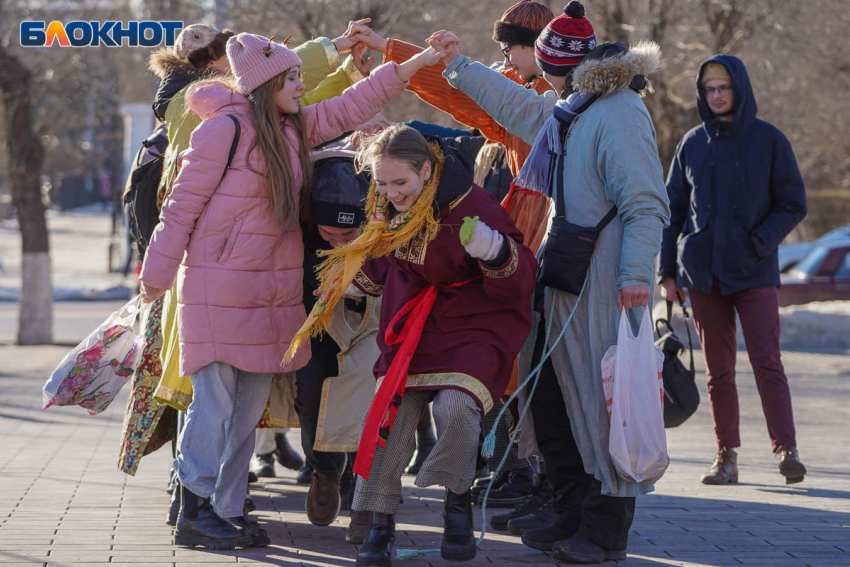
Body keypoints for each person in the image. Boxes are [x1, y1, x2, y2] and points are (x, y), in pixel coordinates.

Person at [138, 32, 446, 550]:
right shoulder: (222, 131)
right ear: (266, 84)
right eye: (293, 77)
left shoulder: (295, 128)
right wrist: (155, 276)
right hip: (218, 287)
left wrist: (416, 62)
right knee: (212, 403)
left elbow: (356, 102)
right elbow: (181, 208)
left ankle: (228, 508)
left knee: (248, 409)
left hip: (271, 295)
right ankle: (194, 506)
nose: (302, 86)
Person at [436, 2, 671, 562]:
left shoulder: (617, 112)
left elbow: (645, 202)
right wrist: (459, 66)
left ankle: (604, 527)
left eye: (541, 68)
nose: (536, 78)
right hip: (569, 271)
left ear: (558, 64)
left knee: (598, 401)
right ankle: (572, 507)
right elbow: (518, 107)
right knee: (557, 398)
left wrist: (636, 275)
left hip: (608, 279)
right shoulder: (575, 106)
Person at [283, 124, 537, 566]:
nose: (391, 194)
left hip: (475, 324)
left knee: (455, 408)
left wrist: (493, 249)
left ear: (425, 170)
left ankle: (457, 505)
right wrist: (354, 281)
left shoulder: (470, 204)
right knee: (389, 417)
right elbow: (382, 259)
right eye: (382, 184)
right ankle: (379, 524)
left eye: (400, 183)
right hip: (415, 323)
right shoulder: (385, 204)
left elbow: (523, 277)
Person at [349, 0, 555, 509]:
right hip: (523, 218)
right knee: (512, 361)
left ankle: (532, 468)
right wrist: (396, 55)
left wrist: (401, 57)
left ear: (535, 48)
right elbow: (465, 100)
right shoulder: (526, 90)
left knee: (531, 353)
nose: (504, 60)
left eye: (510, 50)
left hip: (542, 223)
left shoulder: (546, 100)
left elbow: (474, 100)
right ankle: (513, 465)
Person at [659, 55, 808, 486]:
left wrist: (759, 242)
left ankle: (786, 450)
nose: (717, 95)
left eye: (724, 87)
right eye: (710, 90)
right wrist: (667, 273)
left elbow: (793, 202)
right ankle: (725, 456)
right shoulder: (692, 143)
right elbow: (673, 209)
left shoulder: (769, 141)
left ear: (738, 89)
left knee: (767, 362)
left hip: (755, 273)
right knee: (718, 371)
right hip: (704, 276)